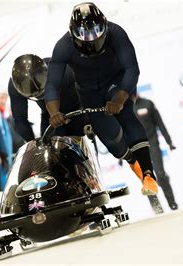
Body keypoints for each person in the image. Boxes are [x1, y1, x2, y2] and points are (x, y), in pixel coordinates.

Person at [45, 2, 158, 195]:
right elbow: (52, 84)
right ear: (74, 34)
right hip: (89, 93)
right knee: (111, 140)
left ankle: (149, 175)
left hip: (117, 84)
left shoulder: (117, 33)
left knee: (127, 116)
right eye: (84, 36)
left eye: (96, 34)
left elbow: (132, 68)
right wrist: (54, 112)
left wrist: (120, 100)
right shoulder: (63, 46)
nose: (91, 41)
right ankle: (132, 161)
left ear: (104, 27)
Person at [9, 54, 86, 141]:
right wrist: (31, 142)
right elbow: (20, 119)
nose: (41, 97)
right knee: (47, 144)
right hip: (49, 115)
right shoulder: (14, 88)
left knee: (78, 142)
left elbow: (89, 87)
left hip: (76, 110)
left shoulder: (63, 70)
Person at [135, 94, 178, 210]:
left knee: (160, 174)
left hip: (153, 144)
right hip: (138, 148)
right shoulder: (125, 108)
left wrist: (169, 141)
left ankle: (172, 203)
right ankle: (157, 207)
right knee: (146, 178)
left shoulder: (148, 103)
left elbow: (160, 123)